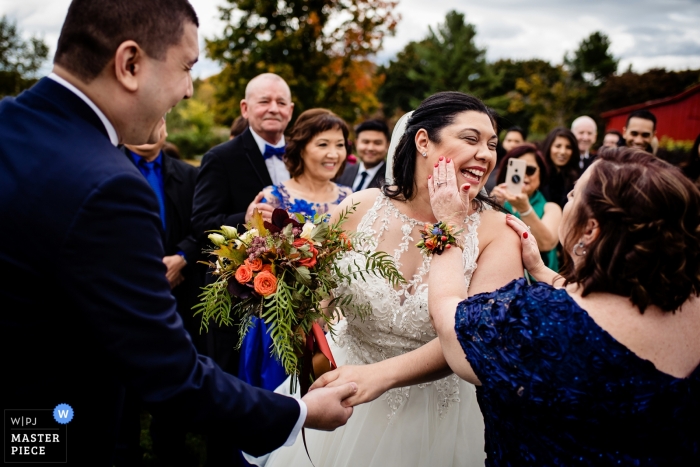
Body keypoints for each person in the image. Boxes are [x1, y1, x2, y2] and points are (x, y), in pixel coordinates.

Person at [0, 1, 357, 465]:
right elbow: (169, 373)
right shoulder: (110, 188)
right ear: (130, 64)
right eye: (187, 67)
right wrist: (299, 410)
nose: (189, 91)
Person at [257, 92, 524, 467]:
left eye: (492, 144)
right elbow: (317, 293)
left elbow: (475, 341)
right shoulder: (358, 207)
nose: (486, 154)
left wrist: (379, 376)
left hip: (437, 416)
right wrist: (294, 305)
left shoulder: (500, 233)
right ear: (423, 142)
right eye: (471, 139)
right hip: (342, 395)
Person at [428, 146, 700, 465]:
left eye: (573, 196)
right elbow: (604, 312)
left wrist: (448, 226)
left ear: (590, 230)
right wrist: (543, 272)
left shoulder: (536, 321)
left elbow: (449, 318)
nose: (568, 198)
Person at [191, 72, 293, 394]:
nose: (273, 108)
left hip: (294, 295)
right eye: (264, 101)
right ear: (245, 108)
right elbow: (201, 223)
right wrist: (245, 219)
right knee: (235, 383)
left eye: (280, 102)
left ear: (291, 109)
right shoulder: (221, 157)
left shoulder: (302, 156)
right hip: (239, 295)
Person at [239, 108, 353, 392]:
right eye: (323, 144)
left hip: (336, 315)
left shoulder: (350, 198)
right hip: (280, 317)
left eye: (340, 145)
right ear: (301, 148)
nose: (333, 154)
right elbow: (258, 258)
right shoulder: (272, 197)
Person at [118, 122, 204, 465]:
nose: (151, 129)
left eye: (159, 122)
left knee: (174, 372)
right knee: (122, 383)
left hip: (177, 294)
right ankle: (123, 449)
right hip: (121, 298)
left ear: (167, 128)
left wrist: (181, 258)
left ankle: (171, 446)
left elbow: (202, 226)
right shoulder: (107, 166)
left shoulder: (189, 175)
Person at [491, 144, 562, 271]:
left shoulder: (551, 208)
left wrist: (525, 209)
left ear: (541, 173)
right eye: (517, 169)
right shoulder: (497, 202)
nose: (523, 175)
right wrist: (492, 207)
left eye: (529, 169)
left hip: (539, 285)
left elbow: (546, 244)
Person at [336, 119, 390, 191]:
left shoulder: (393, 178)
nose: (370, 148)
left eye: (377, 143)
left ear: (387, 145)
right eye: (365, 142)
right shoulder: (342, 172)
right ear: (356, 143)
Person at [542, 127, 580, 208]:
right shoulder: (538, 176)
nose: (563, 152)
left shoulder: (578, 179)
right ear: (549, 147)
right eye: (558, 146)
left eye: (568, 147)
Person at [486, 126, 527, 193]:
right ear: (503, 142)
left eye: (517, 141)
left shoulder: (528, 165)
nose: (512, 144)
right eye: (509, 140)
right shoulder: (493, 161)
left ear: (524, 143)